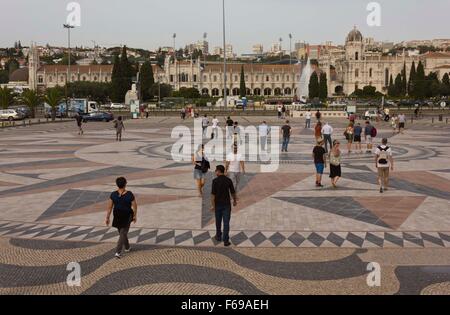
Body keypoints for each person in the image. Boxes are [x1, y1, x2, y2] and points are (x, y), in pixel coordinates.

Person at [106, 177, 137, 259]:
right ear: (125, 183)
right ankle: (118, 252)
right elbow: (135, 206)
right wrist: (134, 215)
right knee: (123, 233)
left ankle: (127, 247)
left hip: (117, 215)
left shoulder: (113, 194)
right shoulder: (129, 194)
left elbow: (109, 207)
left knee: (122, 233)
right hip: (127, 215)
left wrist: (107, 217)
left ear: (117, 184)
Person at [211, 165, 237, 247]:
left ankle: (218, 236)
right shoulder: (228, 180)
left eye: (216, 171)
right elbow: (233, 192)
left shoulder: (214, 181)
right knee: (226, 223)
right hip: (226, 205)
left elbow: (213, 195)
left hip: (218, 204)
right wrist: (235, 201)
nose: (215, 172)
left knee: (218, 222)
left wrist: (213, 206)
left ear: (218, 171)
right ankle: (226, 241)